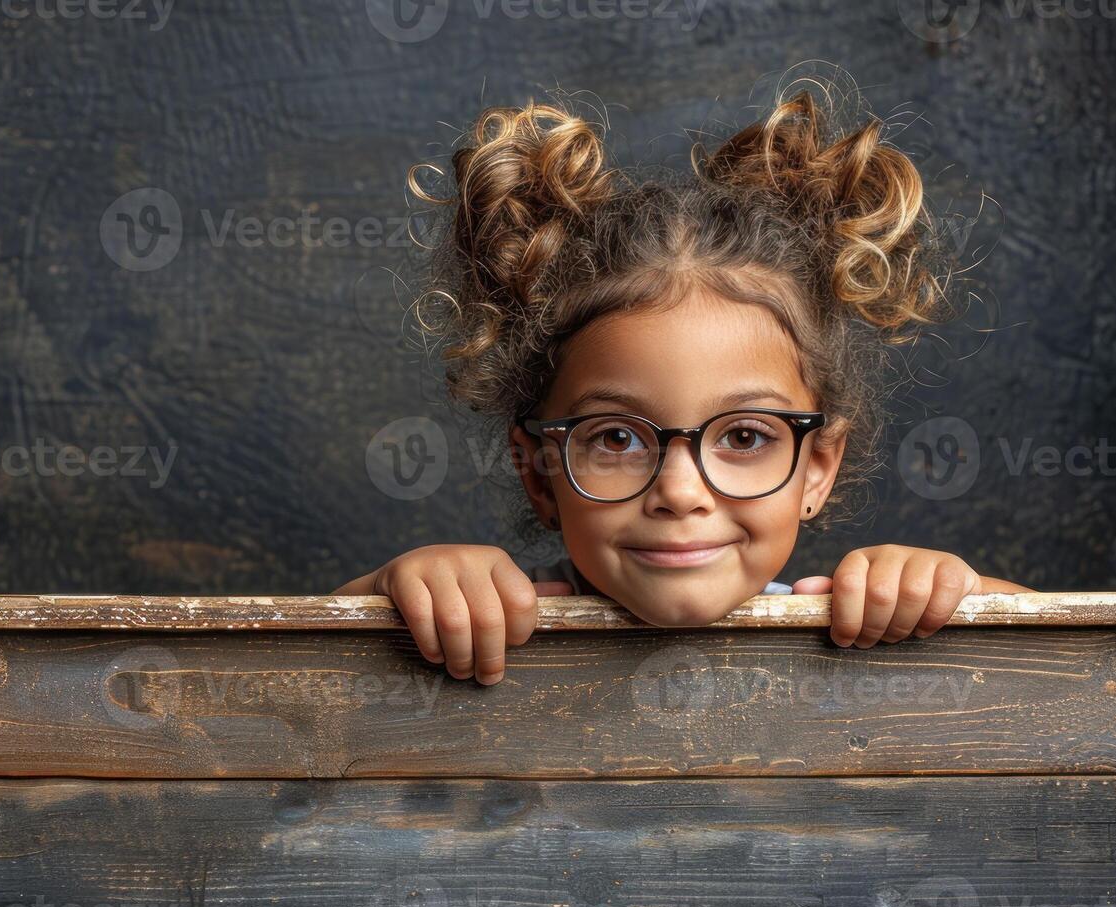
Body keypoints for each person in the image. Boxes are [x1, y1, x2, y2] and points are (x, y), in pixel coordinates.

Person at [336, 82, 1029, 685]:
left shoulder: (856, 618)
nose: (679, 492)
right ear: (539, 472)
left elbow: (1090, 667)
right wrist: (396, 593)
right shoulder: (484, 622)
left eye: (747, 435)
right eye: (613, 437)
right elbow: (284, 678)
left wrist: (955, 597)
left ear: (816, 468)